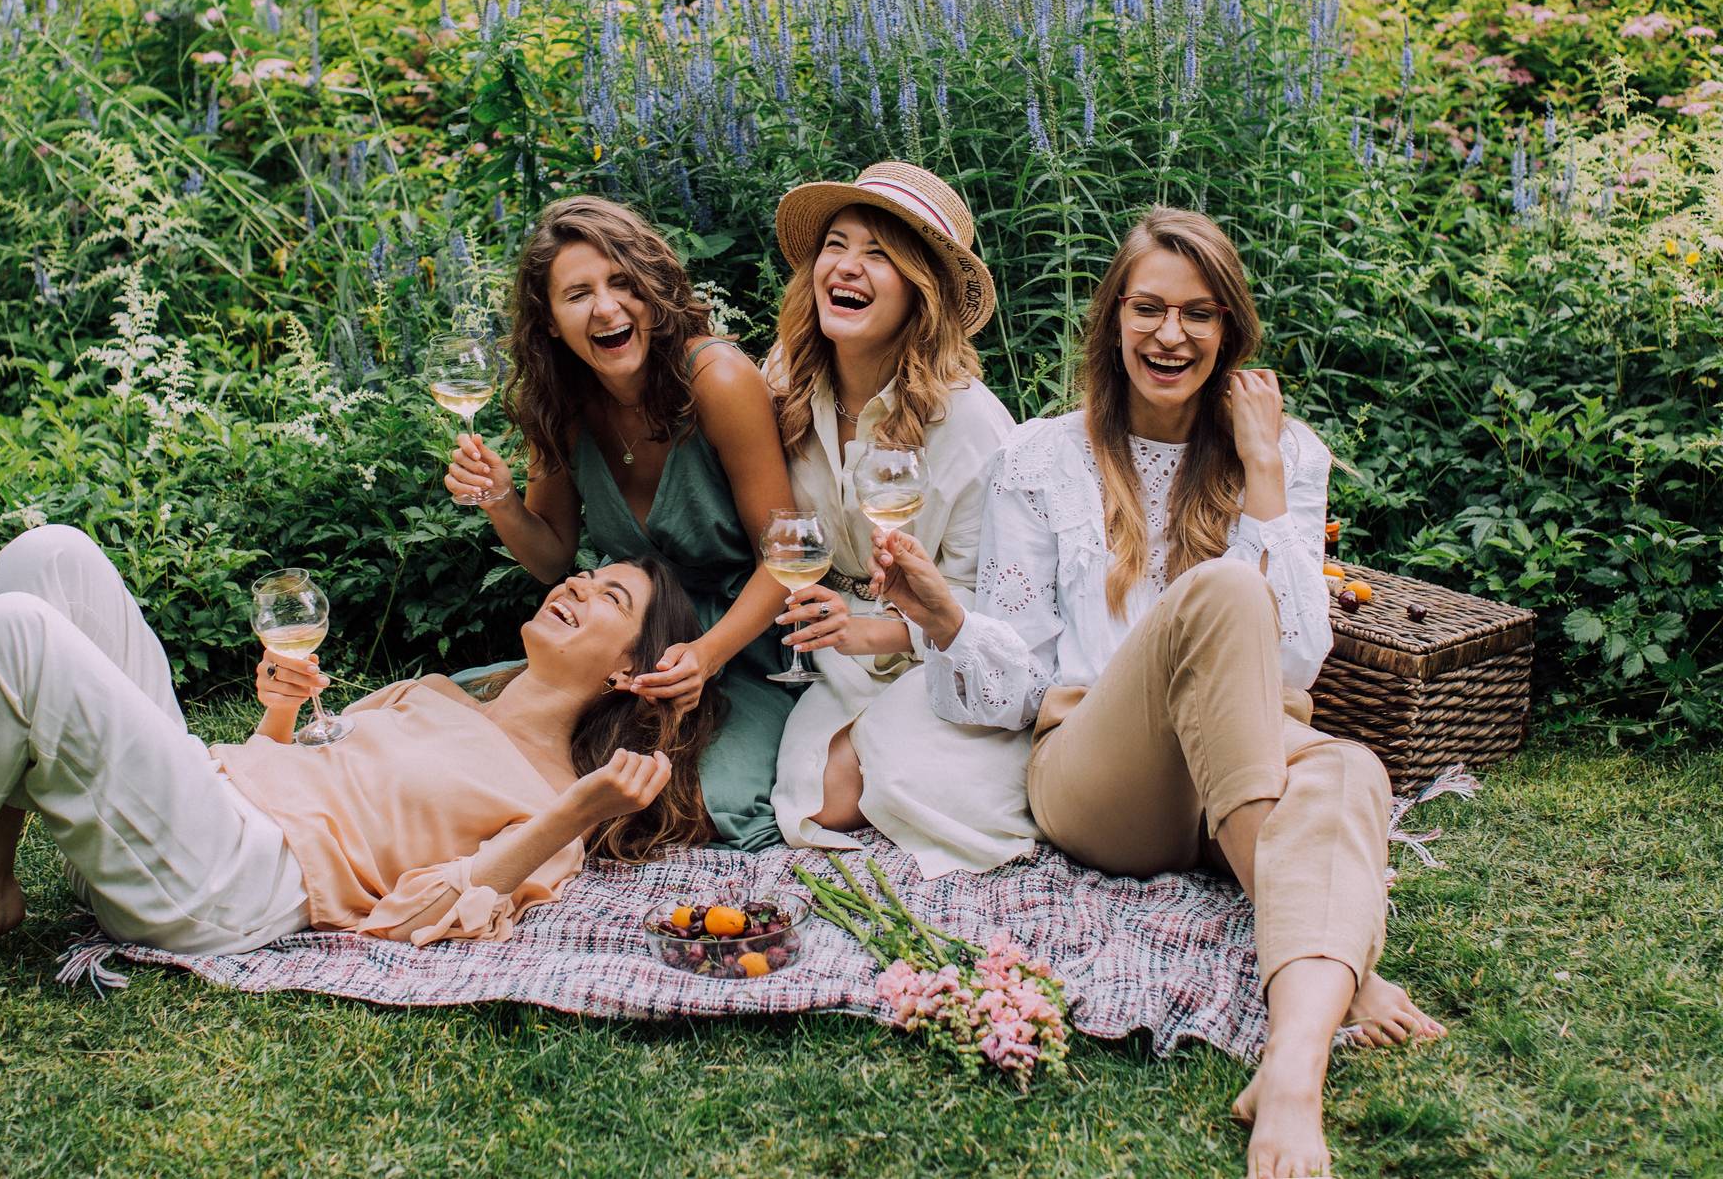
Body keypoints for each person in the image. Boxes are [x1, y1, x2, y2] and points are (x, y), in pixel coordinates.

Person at [868, 207, 1446, 1179]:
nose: (1171, 333)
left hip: (1245, 764)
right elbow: (1013, 685)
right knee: (1225, 592)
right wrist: (946, 616)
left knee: (1350, 764)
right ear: (1113, 321)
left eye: (1199, 313)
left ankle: (1294, 1065)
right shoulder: (1043, 458)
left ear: (1230, 331)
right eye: (1148, 308)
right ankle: (1344, 957)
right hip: (1105, 778)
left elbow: (1298, 663)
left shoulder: (1285, 455)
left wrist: (1262, 472)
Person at [0, 524, 711, 1009]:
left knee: (15, 635)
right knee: (50, 559)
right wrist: (278, 710)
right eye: (583, 576)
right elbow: (290, 764)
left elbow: (421, 916)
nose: (576, 586)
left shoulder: (555, 797)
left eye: (609, 597)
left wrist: (581, 811)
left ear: (628, 668)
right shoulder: (431, 692)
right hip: (210, 793)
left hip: (238, 881)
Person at [445, 197, 796, 850]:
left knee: (700, 803)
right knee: (471, 729)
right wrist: (500, 498)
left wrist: (707, 655)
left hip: (740, 648)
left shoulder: (718, 380)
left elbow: (787, 557)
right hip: (622, 648)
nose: (607, 308)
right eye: (578, 294)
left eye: (623, 284)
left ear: (653, 293)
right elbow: (553, 558)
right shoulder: (558, 402)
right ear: (550, 322)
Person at [763, 162, 1033, 877]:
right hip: (835, 656)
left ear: (922, 293)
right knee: (815, 802)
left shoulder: (971, 424)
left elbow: (999, 610)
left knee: (890, 780)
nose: (848, 267)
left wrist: (875, 630)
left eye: (880, 255)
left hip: (941, 655)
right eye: (837, 245)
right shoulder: (789, 382)